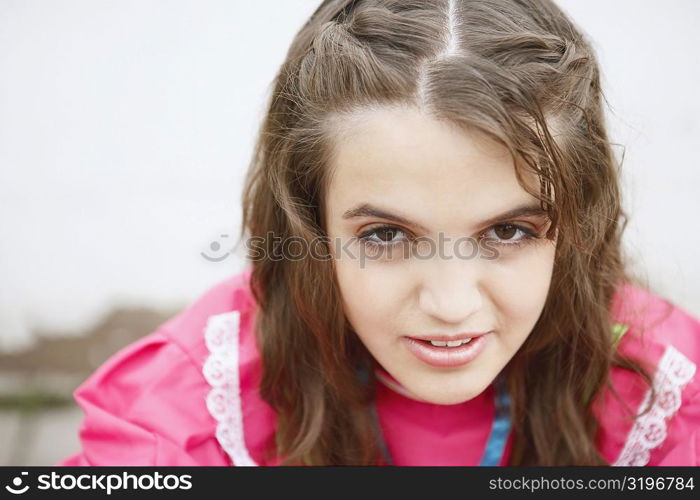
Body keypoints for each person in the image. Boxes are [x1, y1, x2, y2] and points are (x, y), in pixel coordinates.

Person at [57, 0, 699, 466]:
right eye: (387, 236)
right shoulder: (188, 414)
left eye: (509, 229)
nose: (451, 306)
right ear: (308, 221)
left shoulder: (665, 401)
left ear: (577, 221)